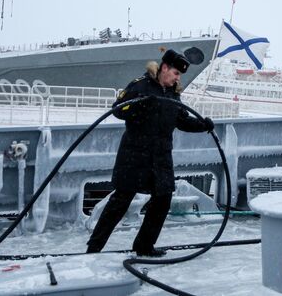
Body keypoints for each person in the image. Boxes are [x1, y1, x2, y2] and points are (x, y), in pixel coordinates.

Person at [86, 49, 214, 257]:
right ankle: (94, 248)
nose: (177, 78)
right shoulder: (140, 85)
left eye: (179, 75)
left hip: (160, 157)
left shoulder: (173, 94)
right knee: (120, 203)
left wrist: (202, 125)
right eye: (175, 73)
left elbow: (181, 120)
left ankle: (144, 246)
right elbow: (119, 109)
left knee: (162, 201)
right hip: (135, 156)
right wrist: (141, 104)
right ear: (164, 68)